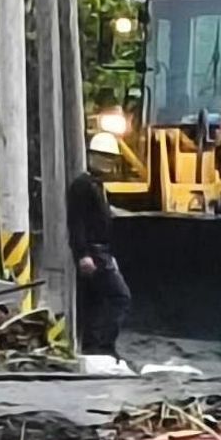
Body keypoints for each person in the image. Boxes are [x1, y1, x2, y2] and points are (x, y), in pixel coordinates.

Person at [67, 133, 132, 358]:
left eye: (110, 158)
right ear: (92, 157)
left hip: (101, 251)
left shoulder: (97, 186)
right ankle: (102, 346)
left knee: (96, 302)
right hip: (94, 252)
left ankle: (95, 348)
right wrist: (83, 254)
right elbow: (76, 223)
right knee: (119, 297)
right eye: (103, 157)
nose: (107, 163)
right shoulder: (82, 186)